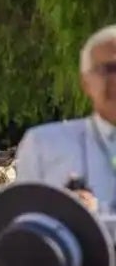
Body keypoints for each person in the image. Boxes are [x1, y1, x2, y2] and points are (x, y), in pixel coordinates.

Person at [16, 24, 116, 209]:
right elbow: (25, 224)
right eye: (110, 69)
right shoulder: (44, 145)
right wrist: (66, 212)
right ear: (85, 81)